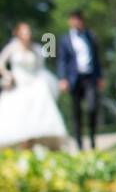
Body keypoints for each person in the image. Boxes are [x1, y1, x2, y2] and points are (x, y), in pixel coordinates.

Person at [0, 21, 68, 150]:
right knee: (19, 119)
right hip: (18, 87)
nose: (27, 34)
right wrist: (8, 75)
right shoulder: (12, 47)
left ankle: (35, 146)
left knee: (38, 118)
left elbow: (40, 68)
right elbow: (1, 63)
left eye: (28, 31)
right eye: (25, 32)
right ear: (18, 33)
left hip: (34, 86)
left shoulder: (36, 48)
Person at [56, 10, 103, 151]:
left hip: (89, 77)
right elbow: (62, 60)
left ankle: (93, 140)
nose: (77, 22)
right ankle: (79, 145)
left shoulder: (90, 36)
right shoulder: (64, 40)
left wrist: (100, 76)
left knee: (92, 107)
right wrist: (62, 78)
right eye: (74, 19)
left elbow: (97, 58)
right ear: (70, 21)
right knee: (76, 113)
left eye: (79, 19)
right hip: (73, 79)